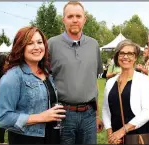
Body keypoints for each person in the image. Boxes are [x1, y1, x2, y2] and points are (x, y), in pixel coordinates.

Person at [0, 26, 66, 144]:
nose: (37, 47)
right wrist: (41, 117)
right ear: (20, 48)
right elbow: (3, 118)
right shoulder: (13, 77)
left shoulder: (46, 72)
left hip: (51, 136)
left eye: (39, 42)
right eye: (30, 43)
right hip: (27, 139)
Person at [48, 1, 103, 144]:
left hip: (89, 115)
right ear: (63, 19)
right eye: (70, 16)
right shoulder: (51, 44)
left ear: (84, 19)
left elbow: (94, 81)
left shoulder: (94, 44)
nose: (74, 20)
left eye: (78, 16)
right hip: (63, 115)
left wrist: (97, 115)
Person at [102, 39, 149, 144]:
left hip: (138, 137)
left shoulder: (143, 80)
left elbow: (148, 111)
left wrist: (122, 131)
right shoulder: (111, 82)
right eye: (122, 53)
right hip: (117, 138)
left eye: (130, 53)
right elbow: (105, 109)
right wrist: (110, 133)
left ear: (135, 57)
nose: (125, 57)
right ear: (117, 56)